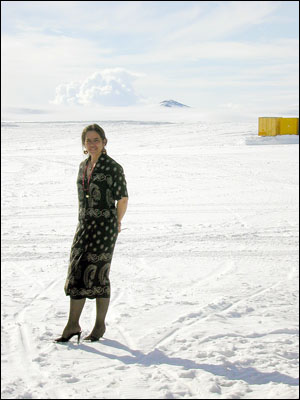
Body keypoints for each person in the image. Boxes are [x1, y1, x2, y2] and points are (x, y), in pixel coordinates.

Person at [55, 124, 128, 343]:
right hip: (84, 225)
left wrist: (116, 223)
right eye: (88, 140)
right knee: (77, 271)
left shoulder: (113, 167)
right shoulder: (83, 166)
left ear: (104, 142)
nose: (92, 144)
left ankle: (99, 325)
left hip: (104, 227)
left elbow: (122, 198)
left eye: (96, 140)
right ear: (83, 144)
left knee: (98, 273)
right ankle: (73, 324)